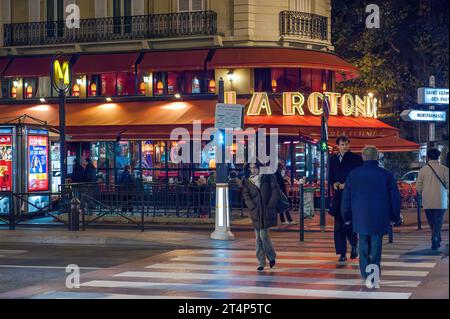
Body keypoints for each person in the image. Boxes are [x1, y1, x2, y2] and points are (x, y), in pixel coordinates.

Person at [341, 146, 402, 280]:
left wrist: (346, 216)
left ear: (363, 157)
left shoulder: (353, 174)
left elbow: (346, 198)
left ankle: (365, 273)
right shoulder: (386, 174)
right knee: (376, 245)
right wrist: (395, 217)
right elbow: (395, 198)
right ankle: (373, 274)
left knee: (362, 243)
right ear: (377, 156)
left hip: (360, 216)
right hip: (380, 216)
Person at [328, 135, 363, 262]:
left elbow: (359, 176)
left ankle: (354, 245)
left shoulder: (356, 159)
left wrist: (347, 185)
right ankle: (341, 253)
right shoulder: (332, 160)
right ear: (337, 146)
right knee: (338, 227)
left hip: (350, 197)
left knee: (348, 224)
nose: (345, 146)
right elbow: (330, 175)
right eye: (342, 144)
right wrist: (333, 184)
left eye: (347, 144)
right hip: (338, 197)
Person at [242, 161, 280, 271]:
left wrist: (270, 205)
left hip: (267, 210)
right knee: (258, 238)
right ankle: (261, 262)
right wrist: (252, 207)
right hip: (256, 212)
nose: (253, 170)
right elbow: (246, 196)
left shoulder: (268, 177)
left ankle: (271, 257)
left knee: (263, 236)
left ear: (259, 168)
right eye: (251, 168)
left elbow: (275, 190)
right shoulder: (247, 181)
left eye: (255, 167)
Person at [416, 148, 449, 250]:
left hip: (427, 201)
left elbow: (418, 186)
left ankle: (436, 237)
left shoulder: (422, 170)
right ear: (438, 157)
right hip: (441, 200)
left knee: (431, 222)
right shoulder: (445, 169)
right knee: (438, 221)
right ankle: (435, 237)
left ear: (428, 157)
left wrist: (423, 192)